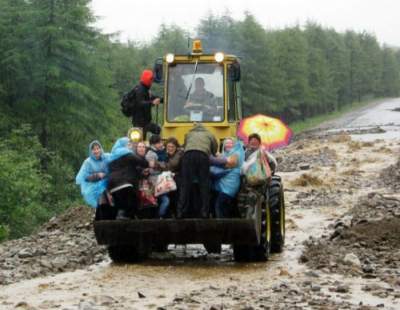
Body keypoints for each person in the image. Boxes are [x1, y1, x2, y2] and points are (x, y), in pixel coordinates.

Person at [177, 123, 218, 218]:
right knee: (204, 184)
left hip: (188, 156)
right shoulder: (209, 134)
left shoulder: (189, 133)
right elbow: (214, 149)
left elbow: (185, 146)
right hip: (203, 156)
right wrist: (212, 153)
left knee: (185, 185)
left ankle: (180, 212)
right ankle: (204, 212)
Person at [107, 137, 149, 219]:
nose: (130, 146)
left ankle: (121, 217)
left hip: (112, 184)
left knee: (120, 203)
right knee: (134, 199)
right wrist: (147, 163)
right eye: (128, 144)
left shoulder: (112, 156)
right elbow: (142, 162)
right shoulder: (126, 154)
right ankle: (128, 217)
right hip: (123, 183)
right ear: (123, 145)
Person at [211, 138, 245, 218]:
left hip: (230, 184)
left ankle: (222, 225)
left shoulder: (237, 154)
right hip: (222, 185)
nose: (228, 145)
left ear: (235, 145)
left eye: (231, 143)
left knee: (220, 205)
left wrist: (214, 159)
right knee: (223, 205)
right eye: (226, 143)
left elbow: (228, 165)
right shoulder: (225, 154)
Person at [125, 69, 162, 139]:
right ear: (147, 80)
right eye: (151, 80)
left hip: (146, 121)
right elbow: (140, 103)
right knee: (140, 141)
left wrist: (162, 99)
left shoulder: (145, 89)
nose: (152, 82)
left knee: (157, 130)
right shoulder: (140, 90)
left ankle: (153, 144)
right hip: (139, 122)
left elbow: (152, 97)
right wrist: (152, 103)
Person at [76, 140, 109, 208]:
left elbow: (116, 161)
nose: (96, 151)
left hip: (108, 179)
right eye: (94, 149)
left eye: (97, 148)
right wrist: (97, 175)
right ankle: (101, 209)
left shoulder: (107, 157)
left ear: (101, 149)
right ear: (91, 151)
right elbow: (84, 177)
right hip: (94, 184)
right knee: (101, 191)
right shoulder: (88, 162)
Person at [145, 135, 170, 219]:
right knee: (164, 200)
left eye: (161, 142)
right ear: (153, 144)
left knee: (162, 199)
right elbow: (152, 168)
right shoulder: (151, 154)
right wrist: (162, 166)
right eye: (159, 143)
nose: (161, 144)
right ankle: (160, 216)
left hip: (161, 179)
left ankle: (159, 216)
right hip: (155, 180)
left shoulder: (161, 152)